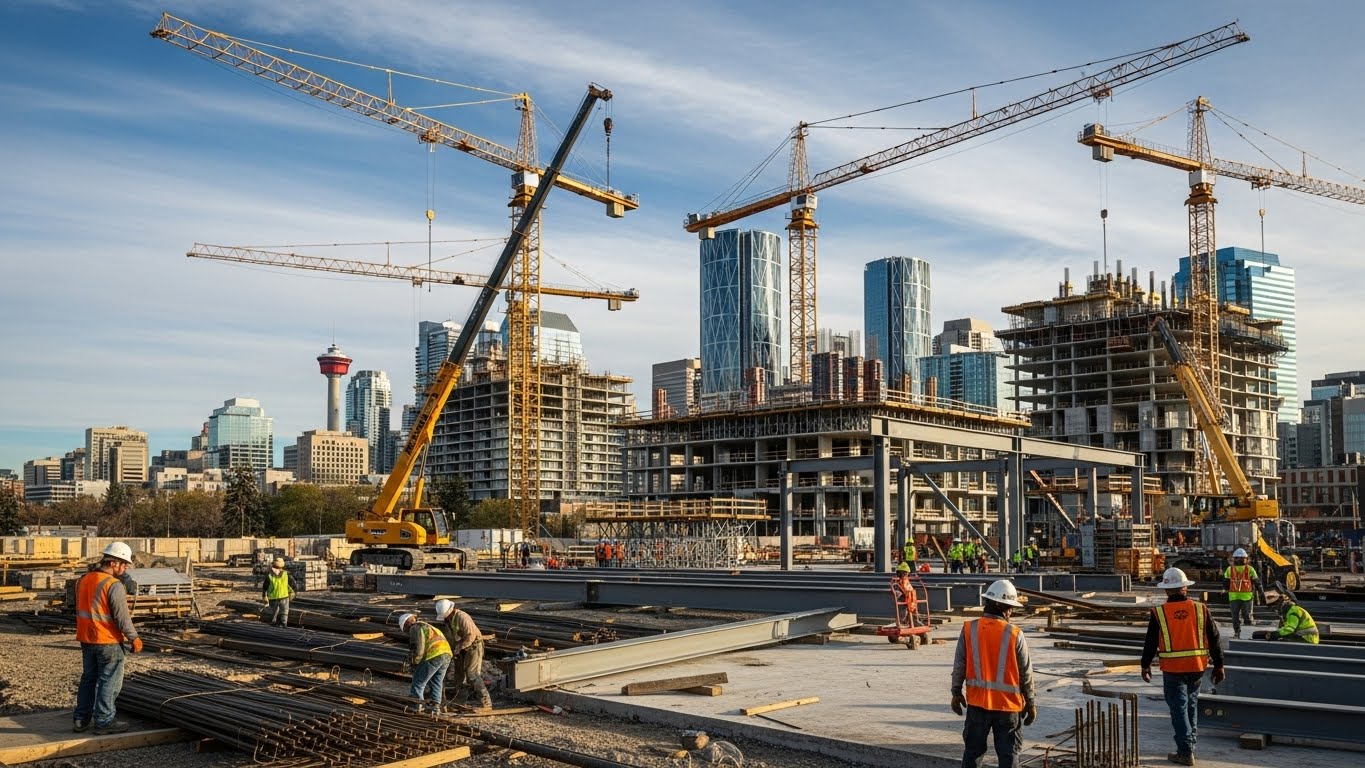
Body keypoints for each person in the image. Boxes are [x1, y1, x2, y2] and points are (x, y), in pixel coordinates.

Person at [1140, 567, 1226, 766]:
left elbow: (1150, 642)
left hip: (1173, 669)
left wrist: (1145, 665)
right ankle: (1189, 746)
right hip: (1197, 666)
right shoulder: (1200, 609)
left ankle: (1185, 751)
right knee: (1191, 705)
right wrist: (1219, 665)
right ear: (1185, 588)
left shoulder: (1159, 612)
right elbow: (1214, 638)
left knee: (1179, 709)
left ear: (1167, 590)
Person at [951, 579, 1037, 768]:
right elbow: (1026, 673)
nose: (1011, 612)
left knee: (972, 754)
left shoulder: (969, 629)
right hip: (1008, 708)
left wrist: (956, 693)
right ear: (999, 605)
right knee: (1008, 757)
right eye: (1009, 607)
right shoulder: (1014, 633)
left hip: (977, 705)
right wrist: (1030, 702)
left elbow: (959, 665)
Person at [73, 541, 143, 735]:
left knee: (88, 679)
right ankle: (104, 721)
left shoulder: (83, 580)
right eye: (124, 564)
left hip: (86, 639)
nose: (126, 567)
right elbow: (122, 618)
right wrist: (134, 638)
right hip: (108, 641)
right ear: (113, 563)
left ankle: (81, 719)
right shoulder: (113, 585)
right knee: (109, 681)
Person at [433, 599, 492, 710]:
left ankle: (486, 702)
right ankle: (460, 701)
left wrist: (459, 647)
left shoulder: (462, 617)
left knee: (472, 674)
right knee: (459, 675)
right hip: (460, 647)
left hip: (473, 645)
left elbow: (471, 636)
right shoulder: (449, 620)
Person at [399, 612, 452, 713]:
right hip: (447, 654)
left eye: (406, 630)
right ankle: (435, 707)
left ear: (406, 624)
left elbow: (419, 647)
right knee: (436, 681)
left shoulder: (415, 628)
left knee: (418, 681)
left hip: (434, 654)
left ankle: (417, 705)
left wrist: (415, 662)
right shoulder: (428, 626)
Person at [1222, 549, 1258, 639]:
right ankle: (1238, 633)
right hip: (1237, 597)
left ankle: (1245, 632)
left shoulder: (1249, 569)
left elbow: (1257, 581)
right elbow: (1225, 582)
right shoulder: (1230, 569)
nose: (1240, 560)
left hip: (1244, 596)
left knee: (1242, 615)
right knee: (1237, 616)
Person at [260, 557, 298, 627]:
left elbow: (265, 587)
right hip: (284, 597)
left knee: (273, 614)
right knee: (284, 613)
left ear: (273, 565)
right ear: (282, 566)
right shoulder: (286, 574)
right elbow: (293, 585)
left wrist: (264, 597)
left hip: (273, 598)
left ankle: (273, 627)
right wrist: (294, 593)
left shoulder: (269, 575)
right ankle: (283, 626)